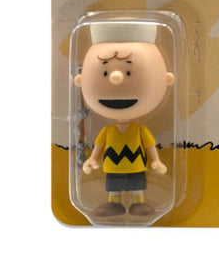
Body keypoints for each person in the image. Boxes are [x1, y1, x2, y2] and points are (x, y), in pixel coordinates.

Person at [74, 22, 174, 217]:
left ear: (166, 79)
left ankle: (138, 203)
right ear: (80, 81)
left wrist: (156, 161)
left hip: (136, 164)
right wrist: (92, 159)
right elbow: (98, 147)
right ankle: (114, 203)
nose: (116, 78)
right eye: (105, 73)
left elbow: (150, 146)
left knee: (137, 184)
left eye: (129, 72)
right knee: (113, 185)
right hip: (113, 165)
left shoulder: (139, 131)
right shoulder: (108, 131)